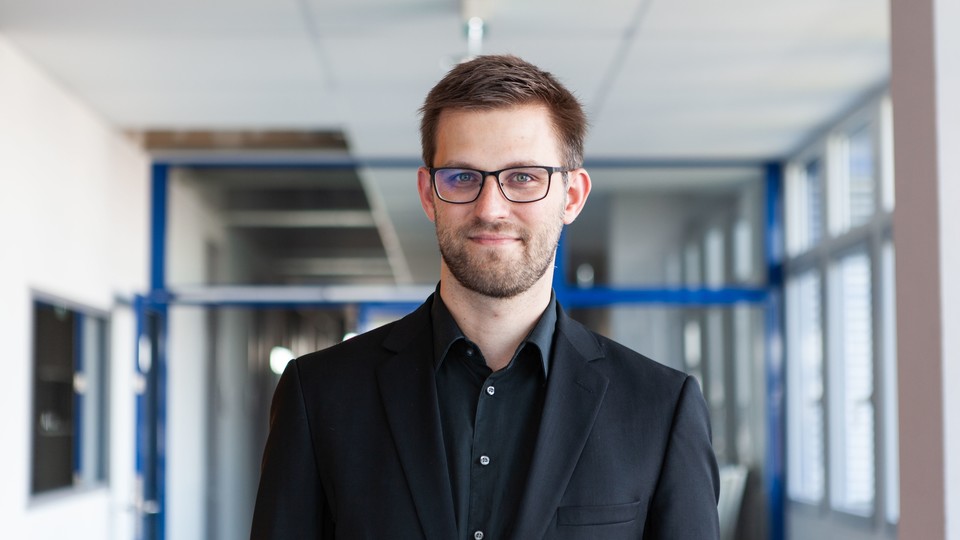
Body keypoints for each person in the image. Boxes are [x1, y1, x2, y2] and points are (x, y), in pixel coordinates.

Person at [250, 54, 720, 540]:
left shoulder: (660, 407)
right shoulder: (320, 393)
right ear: (429, 194)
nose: (491, 208)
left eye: (523, 177)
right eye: (462, 177)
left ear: (572, 196)